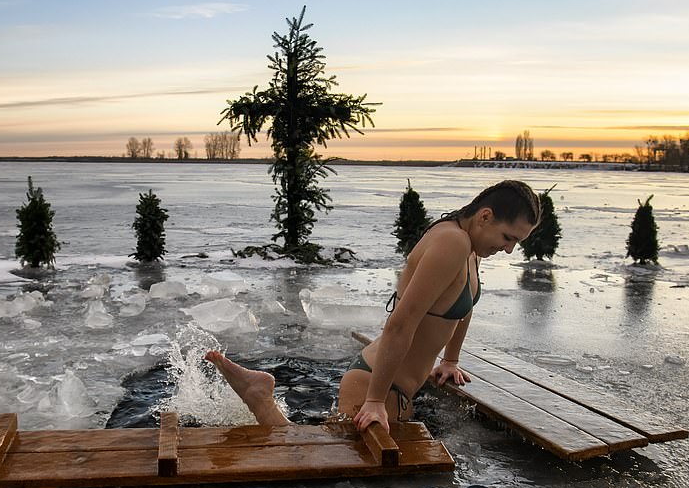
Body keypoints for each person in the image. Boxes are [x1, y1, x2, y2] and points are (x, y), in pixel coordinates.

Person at [205, 179, 542, 433]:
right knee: (303, 449)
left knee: (325, 441)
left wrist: (451, 359)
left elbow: (464, 306)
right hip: (379, 384)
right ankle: (260, 397)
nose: (510, 250)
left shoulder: (469, 246)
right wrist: (377, 400)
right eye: (508, 238)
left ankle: (259, 392)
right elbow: (401, 322)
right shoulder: (452, 242)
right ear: (485, 216)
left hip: (392, 383)